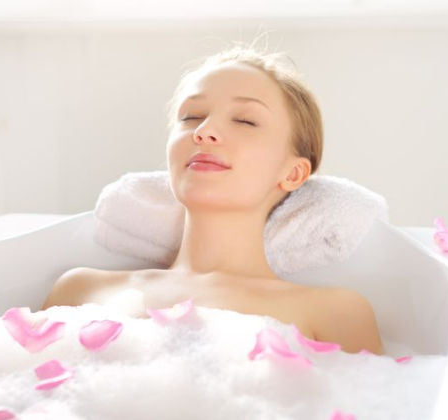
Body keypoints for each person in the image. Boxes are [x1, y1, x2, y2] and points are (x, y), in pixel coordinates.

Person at [42, 43, 384, 355]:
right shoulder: (79, 291)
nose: (203, 131)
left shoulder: (336, 312)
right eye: (191, 116)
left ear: (293, 173)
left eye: (246, 120)